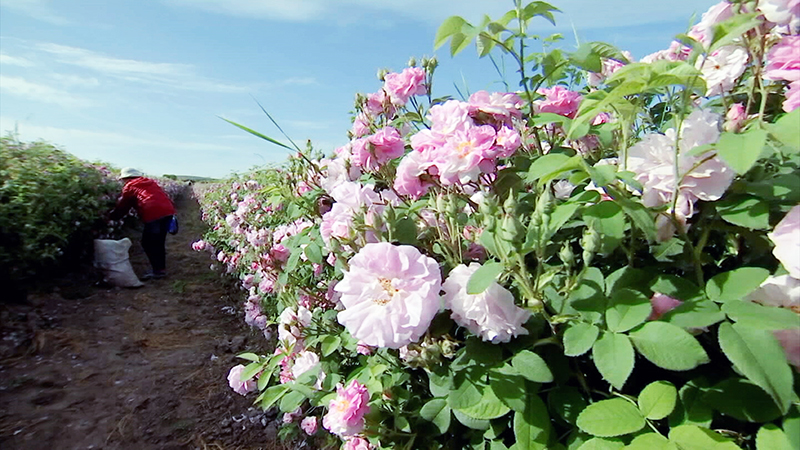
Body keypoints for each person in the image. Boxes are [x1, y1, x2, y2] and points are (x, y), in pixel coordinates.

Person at [110, 168, 176, 280]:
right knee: (159, 242)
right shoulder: (150, 182)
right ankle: (161, 269)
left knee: (148, 243)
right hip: (168, 211)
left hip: (153, 213)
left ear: (127, 178)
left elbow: (124, 205)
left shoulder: (130, 186)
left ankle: (158, 271)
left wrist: (112, 216)